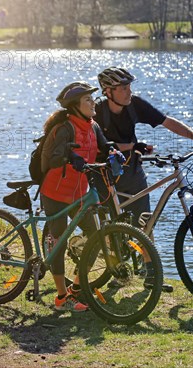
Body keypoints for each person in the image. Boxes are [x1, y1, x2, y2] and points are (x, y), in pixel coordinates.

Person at [94, 66, 193, 292]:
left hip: (132, 171)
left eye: (129, 86)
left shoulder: (135, 105)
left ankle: (151, 276)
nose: (129, 91)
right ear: (108, 91)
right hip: (105, 174)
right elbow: (99, 145)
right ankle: (116, 271)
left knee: (145, 221)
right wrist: (132, 146)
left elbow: (167, 121)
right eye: (123, 88)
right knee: (112, 224)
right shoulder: (97, 112)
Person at [40, 81, 111, 312]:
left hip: (79, 193)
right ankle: (61, 298)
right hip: (56, 193)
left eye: (93, 99)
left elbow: (104, 147)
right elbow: (53, 158)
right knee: (59, 243)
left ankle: (78, 289)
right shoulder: (65, 128)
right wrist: (71, 157)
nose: (93, 103)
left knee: (95, 237)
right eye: (88, 100)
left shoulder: (93, 126)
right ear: (75, 106)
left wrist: (118, 152)